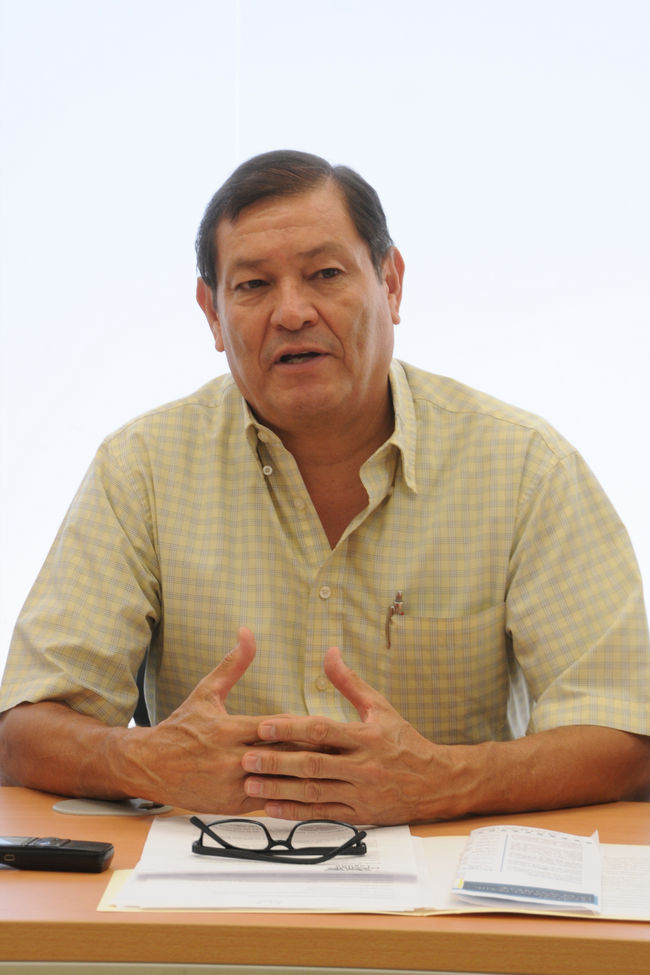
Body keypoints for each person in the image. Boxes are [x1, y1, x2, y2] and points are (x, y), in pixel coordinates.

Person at [0, 150, 649, 825]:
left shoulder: (525, 467)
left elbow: (626, 739)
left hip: (448, 876)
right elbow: (24, 730)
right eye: (253, 285)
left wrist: (444, 780)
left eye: (325, 274)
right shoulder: (141, 468)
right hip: (208, 874)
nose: (291, 312)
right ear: (213, 314)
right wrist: (146, 761)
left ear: (390, 284)